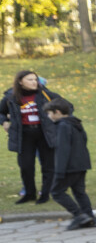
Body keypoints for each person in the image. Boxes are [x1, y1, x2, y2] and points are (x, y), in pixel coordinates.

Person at [1, 70, 60, 203]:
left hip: (44, 134)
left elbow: (68, 107)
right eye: (30, 80)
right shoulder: (11, 97)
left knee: (48, 166)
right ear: (20, 82)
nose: (34, 82)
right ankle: (29, 193)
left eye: (35, 80)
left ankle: (45, 194)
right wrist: (4, 121)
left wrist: (57, 120)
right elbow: (1, 112)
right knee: (26, 166)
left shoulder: (45, 94)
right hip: (24, 135)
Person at [44, 97, 96, 229]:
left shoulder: (63, 126)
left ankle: (79, 215)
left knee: (56, 192)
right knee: (79, 192)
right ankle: (91, 218)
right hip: (82, 163)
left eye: (49, 113)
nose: (48, 116)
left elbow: (63, 149)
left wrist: (59, 171)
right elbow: (84, 140)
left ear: (57, 112)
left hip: (69, 166)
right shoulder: (76, 123)